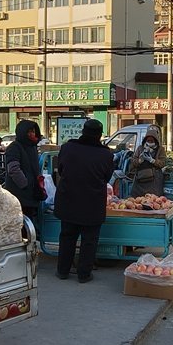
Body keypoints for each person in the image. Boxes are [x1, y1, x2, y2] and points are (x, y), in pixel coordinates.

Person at [53, 119, 115, 283]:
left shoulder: (67, 148)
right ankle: (84, 274)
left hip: (68, 200)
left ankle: (63, 271)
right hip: (92, 203)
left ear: (83, 131)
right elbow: (106, 177)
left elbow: (61, 169)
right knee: (89, 240)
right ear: (100, 135)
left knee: (67, 237)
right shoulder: (106, 154)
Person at [4, 119, 45, 224]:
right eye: (28, 131)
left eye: (33, 131)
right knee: (19, 223)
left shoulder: (32, 147)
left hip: (30, 193)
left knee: (28, 221)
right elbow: (13, 168)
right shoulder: (15, 146)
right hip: (19, 192)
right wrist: (25, 184)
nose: (31, 134)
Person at [126, 127, 167, 197]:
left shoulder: (160, 150)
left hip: (154, 181)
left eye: (152, 141)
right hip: (140, 180)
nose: (150, 142)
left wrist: (152, 161)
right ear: (145, 140)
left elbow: (163, 163)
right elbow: (133, 162)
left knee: (154, 199)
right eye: (148, 140)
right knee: (138, 199)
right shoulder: (140, 148)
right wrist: (139, 161)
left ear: (156, 141)